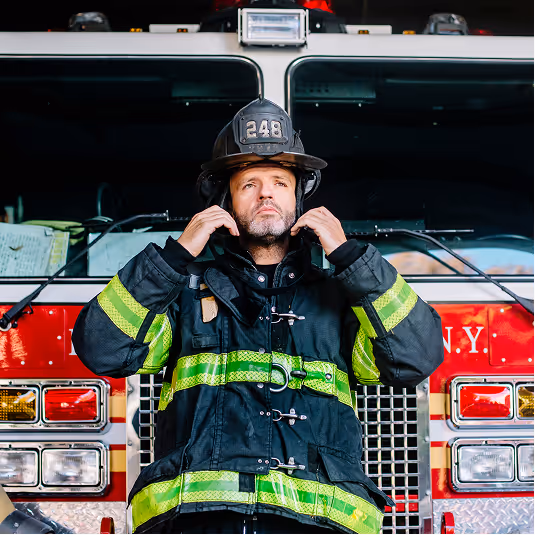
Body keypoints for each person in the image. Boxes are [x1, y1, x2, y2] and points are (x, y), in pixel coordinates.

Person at [73, 98, 444, 534]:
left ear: (299, 197)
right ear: (225, 201)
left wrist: (351, 258)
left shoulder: (343, 295)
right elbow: (102, 349)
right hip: (198, 521)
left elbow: (416, 356)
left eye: (280, 183)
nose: (266, 192)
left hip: (319, 524)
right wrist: (173, 259)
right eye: (249, 183)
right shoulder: (182, 292)